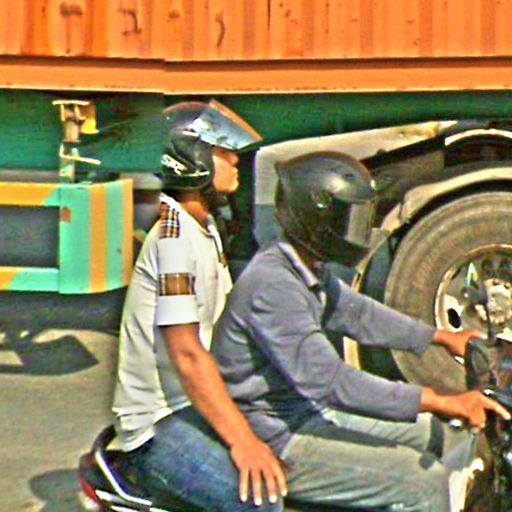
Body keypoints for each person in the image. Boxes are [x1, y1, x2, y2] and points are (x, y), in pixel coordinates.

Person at [211, 151, 511, 512]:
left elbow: (358, 314)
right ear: (318, 219)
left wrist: (440, 337)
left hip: (302, 412)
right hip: (276, 433)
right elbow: (333, 383)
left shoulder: (301, 265)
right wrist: (439, 399)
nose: (357, 231)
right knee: (422, 483)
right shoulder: (274, 286)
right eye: (349, 219)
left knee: (441, 434)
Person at [112, 100, 287, 511]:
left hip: (194, 404)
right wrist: (243, 442)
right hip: (159, 425)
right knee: (260, 501)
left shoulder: (203, 226)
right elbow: (187, 354)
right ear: (193, 161)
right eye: (223, 150)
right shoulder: (173, 241)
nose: (235, 159)